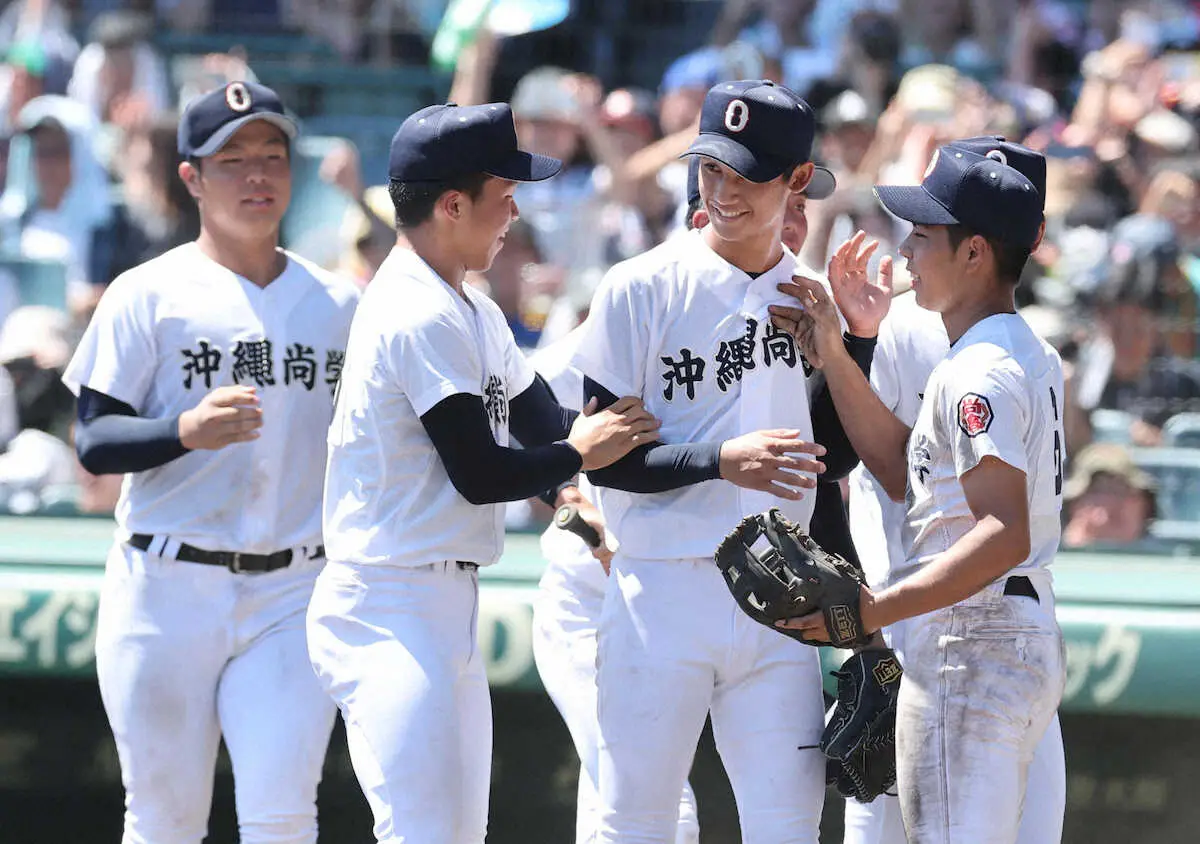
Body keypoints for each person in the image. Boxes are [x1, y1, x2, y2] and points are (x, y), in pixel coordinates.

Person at [305, 101, 658, 844]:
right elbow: (479, 471)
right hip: (388, 600)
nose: (514, 212)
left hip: (439, 598)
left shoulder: (466, 304)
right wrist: (578, 457)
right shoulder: (414, 308)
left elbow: (540, 424)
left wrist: (570, 491)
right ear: (452, 204)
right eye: (504, 196)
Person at [570, 79, 883, 843]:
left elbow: (825, 459)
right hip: (662, 588)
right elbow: (604, 463)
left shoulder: (807, 298)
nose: (726, 190)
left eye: (748, 174)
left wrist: (856, 344)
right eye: (714, 168)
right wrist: (719, 460)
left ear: (798, 180)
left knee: (789, 829)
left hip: (779, 600)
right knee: (635, 824)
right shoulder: (639, 286)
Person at [61, 81, 357, 843]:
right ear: (190, 177)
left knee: (284, 814)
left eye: (272, 156)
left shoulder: (339, 303)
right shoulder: (147, 294)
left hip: (293, 589)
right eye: (232, 160)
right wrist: (182, 430)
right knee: (163, 819)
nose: (257, 176)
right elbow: (93, 437)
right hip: (167, 586)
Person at [771, 142, 1066, 842]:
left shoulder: (979, 373)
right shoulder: (1022, 351)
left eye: (925, 236)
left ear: (976, 255)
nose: (907, 251)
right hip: (1014, 634)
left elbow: (1003, 531)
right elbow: (909, 472)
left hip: (973, 639)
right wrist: (838, 357)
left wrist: (877, 608)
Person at [1061, 442, 1156, 547]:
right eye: (1096, 492)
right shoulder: (1051, 557)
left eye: (1120, 492)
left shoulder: (1166, 558)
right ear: (1074, 506)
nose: (1108, 505)